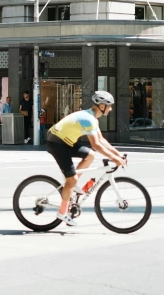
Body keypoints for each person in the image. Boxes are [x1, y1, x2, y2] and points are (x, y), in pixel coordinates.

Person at [46, 91, 126, 227]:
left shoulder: (92, 117)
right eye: (109, 106)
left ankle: (72, 183)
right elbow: (96, 144)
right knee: (71, 180)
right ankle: (62, 212)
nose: (111, 109)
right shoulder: (88, 119)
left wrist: (118, 155)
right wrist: (114, 157)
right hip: (57, 142)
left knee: (91, 155)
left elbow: (101, 140)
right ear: (102, 106)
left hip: (66, 141)